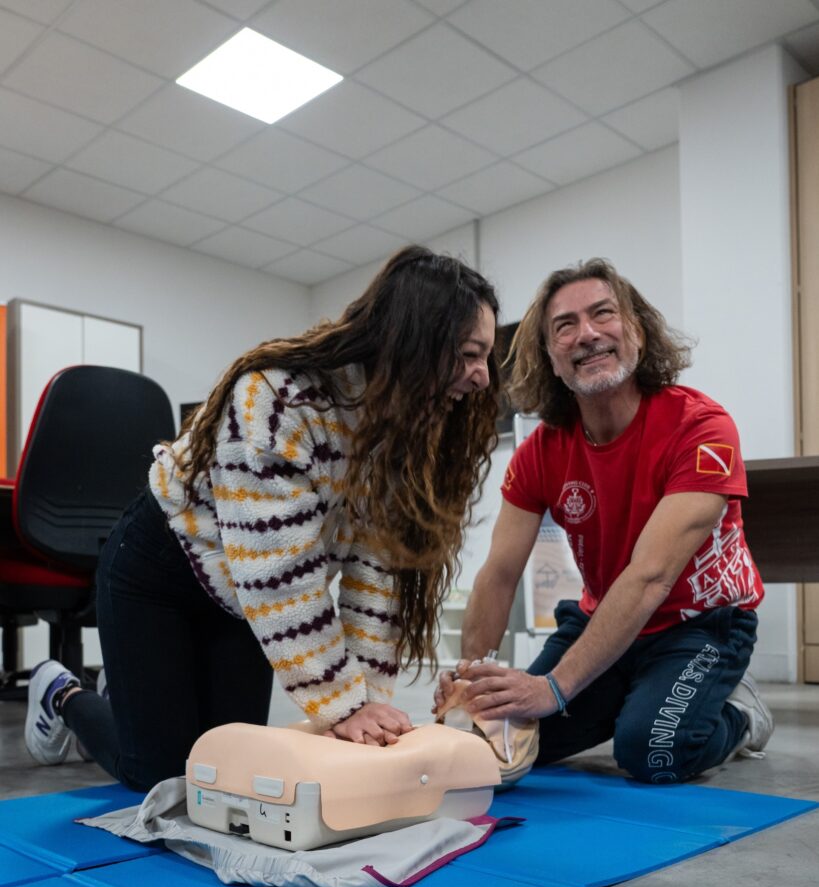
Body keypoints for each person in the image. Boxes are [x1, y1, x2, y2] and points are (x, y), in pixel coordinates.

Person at [25, 245, 501, 791]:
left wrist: (368, 707)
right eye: (469, 354)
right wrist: (339, 705)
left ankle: (132, 696)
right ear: (415, 340)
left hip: (240, 600)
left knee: (225, 771)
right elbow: (281, 577)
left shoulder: (393, 432)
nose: (482, 377)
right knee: (162, 778)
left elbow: (378, 578)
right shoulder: (277, 399)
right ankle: (61, 690)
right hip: (159, 573)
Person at [434, 258, 773, 784]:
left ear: (636, 330)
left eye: (603, 314)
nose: (587, 334)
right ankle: (642, 697)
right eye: (564, 326)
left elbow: (651, 577)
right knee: (522, 741)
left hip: (698, 625)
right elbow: (499, 572)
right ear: (550, 355)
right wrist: (470, 676)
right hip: (602, 622)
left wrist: (553, 687)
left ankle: (740, 713)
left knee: (652, 751)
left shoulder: (702, 427)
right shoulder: (540, 452)